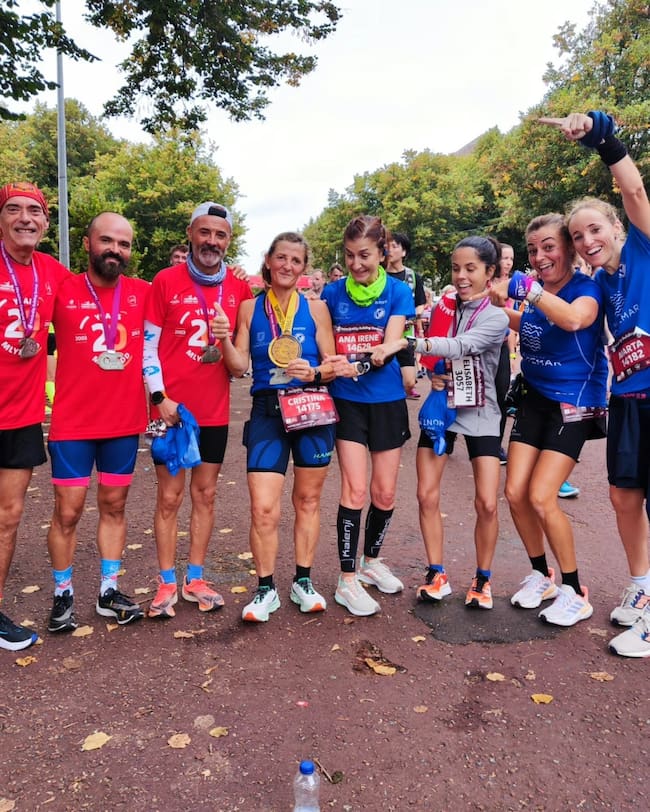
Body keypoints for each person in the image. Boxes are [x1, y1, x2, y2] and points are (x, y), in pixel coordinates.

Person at [540, 111, 650, 656]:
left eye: (595, 229)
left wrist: (600, 134)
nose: (586, 240)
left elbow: (630, 185)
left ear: (617, 227)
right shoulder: (601, 282)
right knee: (623, 496)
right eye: (578, 235)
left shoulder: (642, 246)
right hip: (626, 396)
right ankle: (643, 588)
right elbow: (572, 316)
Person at [487, 212, 608, 627]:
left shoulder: (585, 289)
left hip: (573, 404)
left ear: (570, 250)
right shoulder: (538, 294)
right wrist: (499, 308)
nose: (539, 256)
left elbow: (574, 319)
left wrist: (527, 289)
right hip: (534, 399)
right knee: (515, 492)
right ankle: (543, 575)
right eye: (533, 249)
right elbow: (534, 324)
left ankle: (576, 590)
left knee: (541, 496)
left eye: (549, 247)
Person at [378, 236, 508, 609]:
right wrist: (433, 374)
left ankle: (483, 580)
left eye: (471, 269)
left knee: (486, 502)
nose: (462, 276)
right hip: (441, 410)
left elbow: (460, 346)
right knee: (425, 494)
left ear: (489, 272)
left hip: (482, 414)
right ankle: (437, 573)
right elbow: (438, 357)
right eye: (456, 268)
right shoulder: (444, 307)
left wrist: (409, 345)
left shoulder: (496, 316)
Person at [143, 202, 253, 619]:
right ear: (191, 233)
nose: (212, 241)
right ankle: (166, 581)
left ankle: (195, 577)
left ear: (228, 241)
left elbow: (240, 362)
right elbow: (147, 346)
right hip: (168, 410)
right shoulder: (165, 281)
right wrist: (159, 397)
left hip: (213, 411)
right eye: (205, 233)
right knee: (169, 496)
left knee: (204, 494)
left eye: (220, 235)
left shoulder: (240, 290)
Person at [46, 212, 150, 632]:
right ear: (87, 243)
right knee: (67, 513)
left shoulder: (142, 292)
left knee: (114, 506)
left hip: (123, 423)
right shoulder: (61, 288)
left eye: (123, 244)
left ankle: (108, 590)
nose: (115, 250)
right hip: (72, 423)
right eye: (107, 241)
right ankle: (62, 594)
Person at [228, 233, 337, 621]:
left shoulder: (317, 309)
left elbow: (334, 364)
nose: (288, 266)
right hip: (267, 413)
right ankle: (265, 589)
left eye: (296, 260)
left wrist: (316, 371)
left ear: (303, 268)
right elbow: (239, 366)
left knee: (307, 501)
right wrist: (224, 339)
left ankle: (303, 582)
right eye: (281, 258)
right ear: (269, 261)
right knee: (263, 507)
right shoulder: (247, 308)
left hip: (310, 408)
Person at [322, 215, 413, 616]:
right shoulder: (329, 293)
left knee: (385, 493)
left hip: (388, 399)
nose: (357, 264)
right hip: (347, 401)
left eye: (365, 255)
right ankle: (346, 579)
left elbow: (395, 336)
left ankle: (371, 561)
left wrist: (386, 350)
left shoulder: (398, 290)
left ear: (382, 252)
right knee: (355, 491)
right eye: (350, 256)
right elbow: (325, 346)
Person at [0, 182, 69, 650]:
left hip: (21, 416)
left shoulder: (53, 272)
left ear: (46, 223)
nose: (25, 218)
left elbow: (101, 303)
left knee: (9, 516)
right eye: (14, 209)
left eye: (34, 211)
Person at [385, 232, 427, 399]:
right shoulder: (379, 276)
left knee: (409, 382)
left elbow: (420, 303)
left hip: (406, 335)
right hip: (384, 334)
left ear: (404, 252)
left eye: (395, 246)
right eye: (387, 246)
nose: (390, 250)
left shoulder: (413, 277)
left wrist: (413, 317)